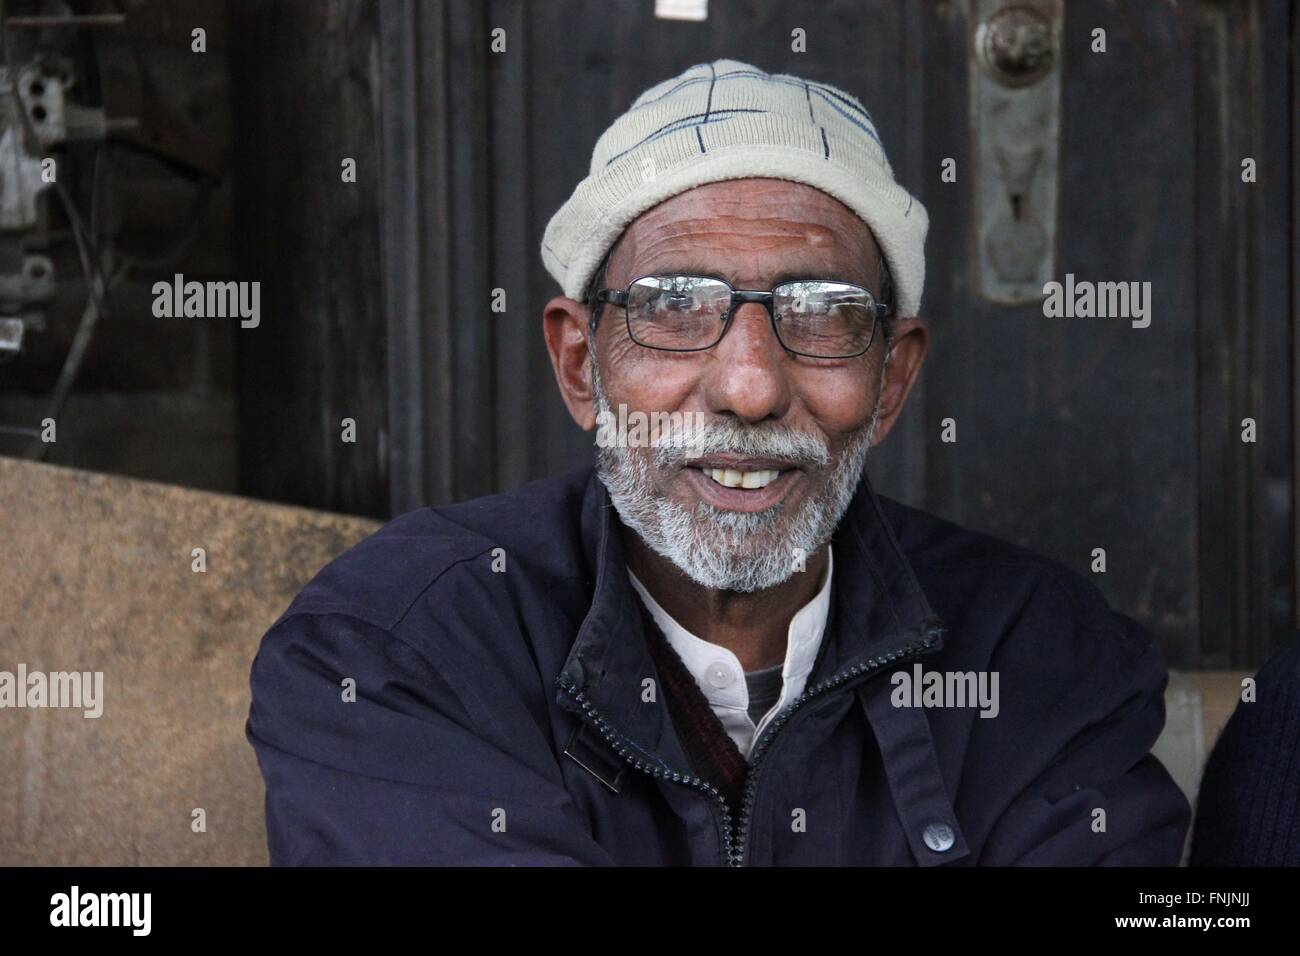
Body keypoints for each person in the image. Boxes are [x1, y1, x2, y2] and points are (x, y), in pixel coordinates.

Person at [245, 59, 1189, 865]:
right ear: (583, 365)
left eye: (822, 313)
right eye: (672, 306)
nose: (748, 388)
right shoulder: (402, 648)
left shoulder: (1035, 660)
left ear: (891, 380)